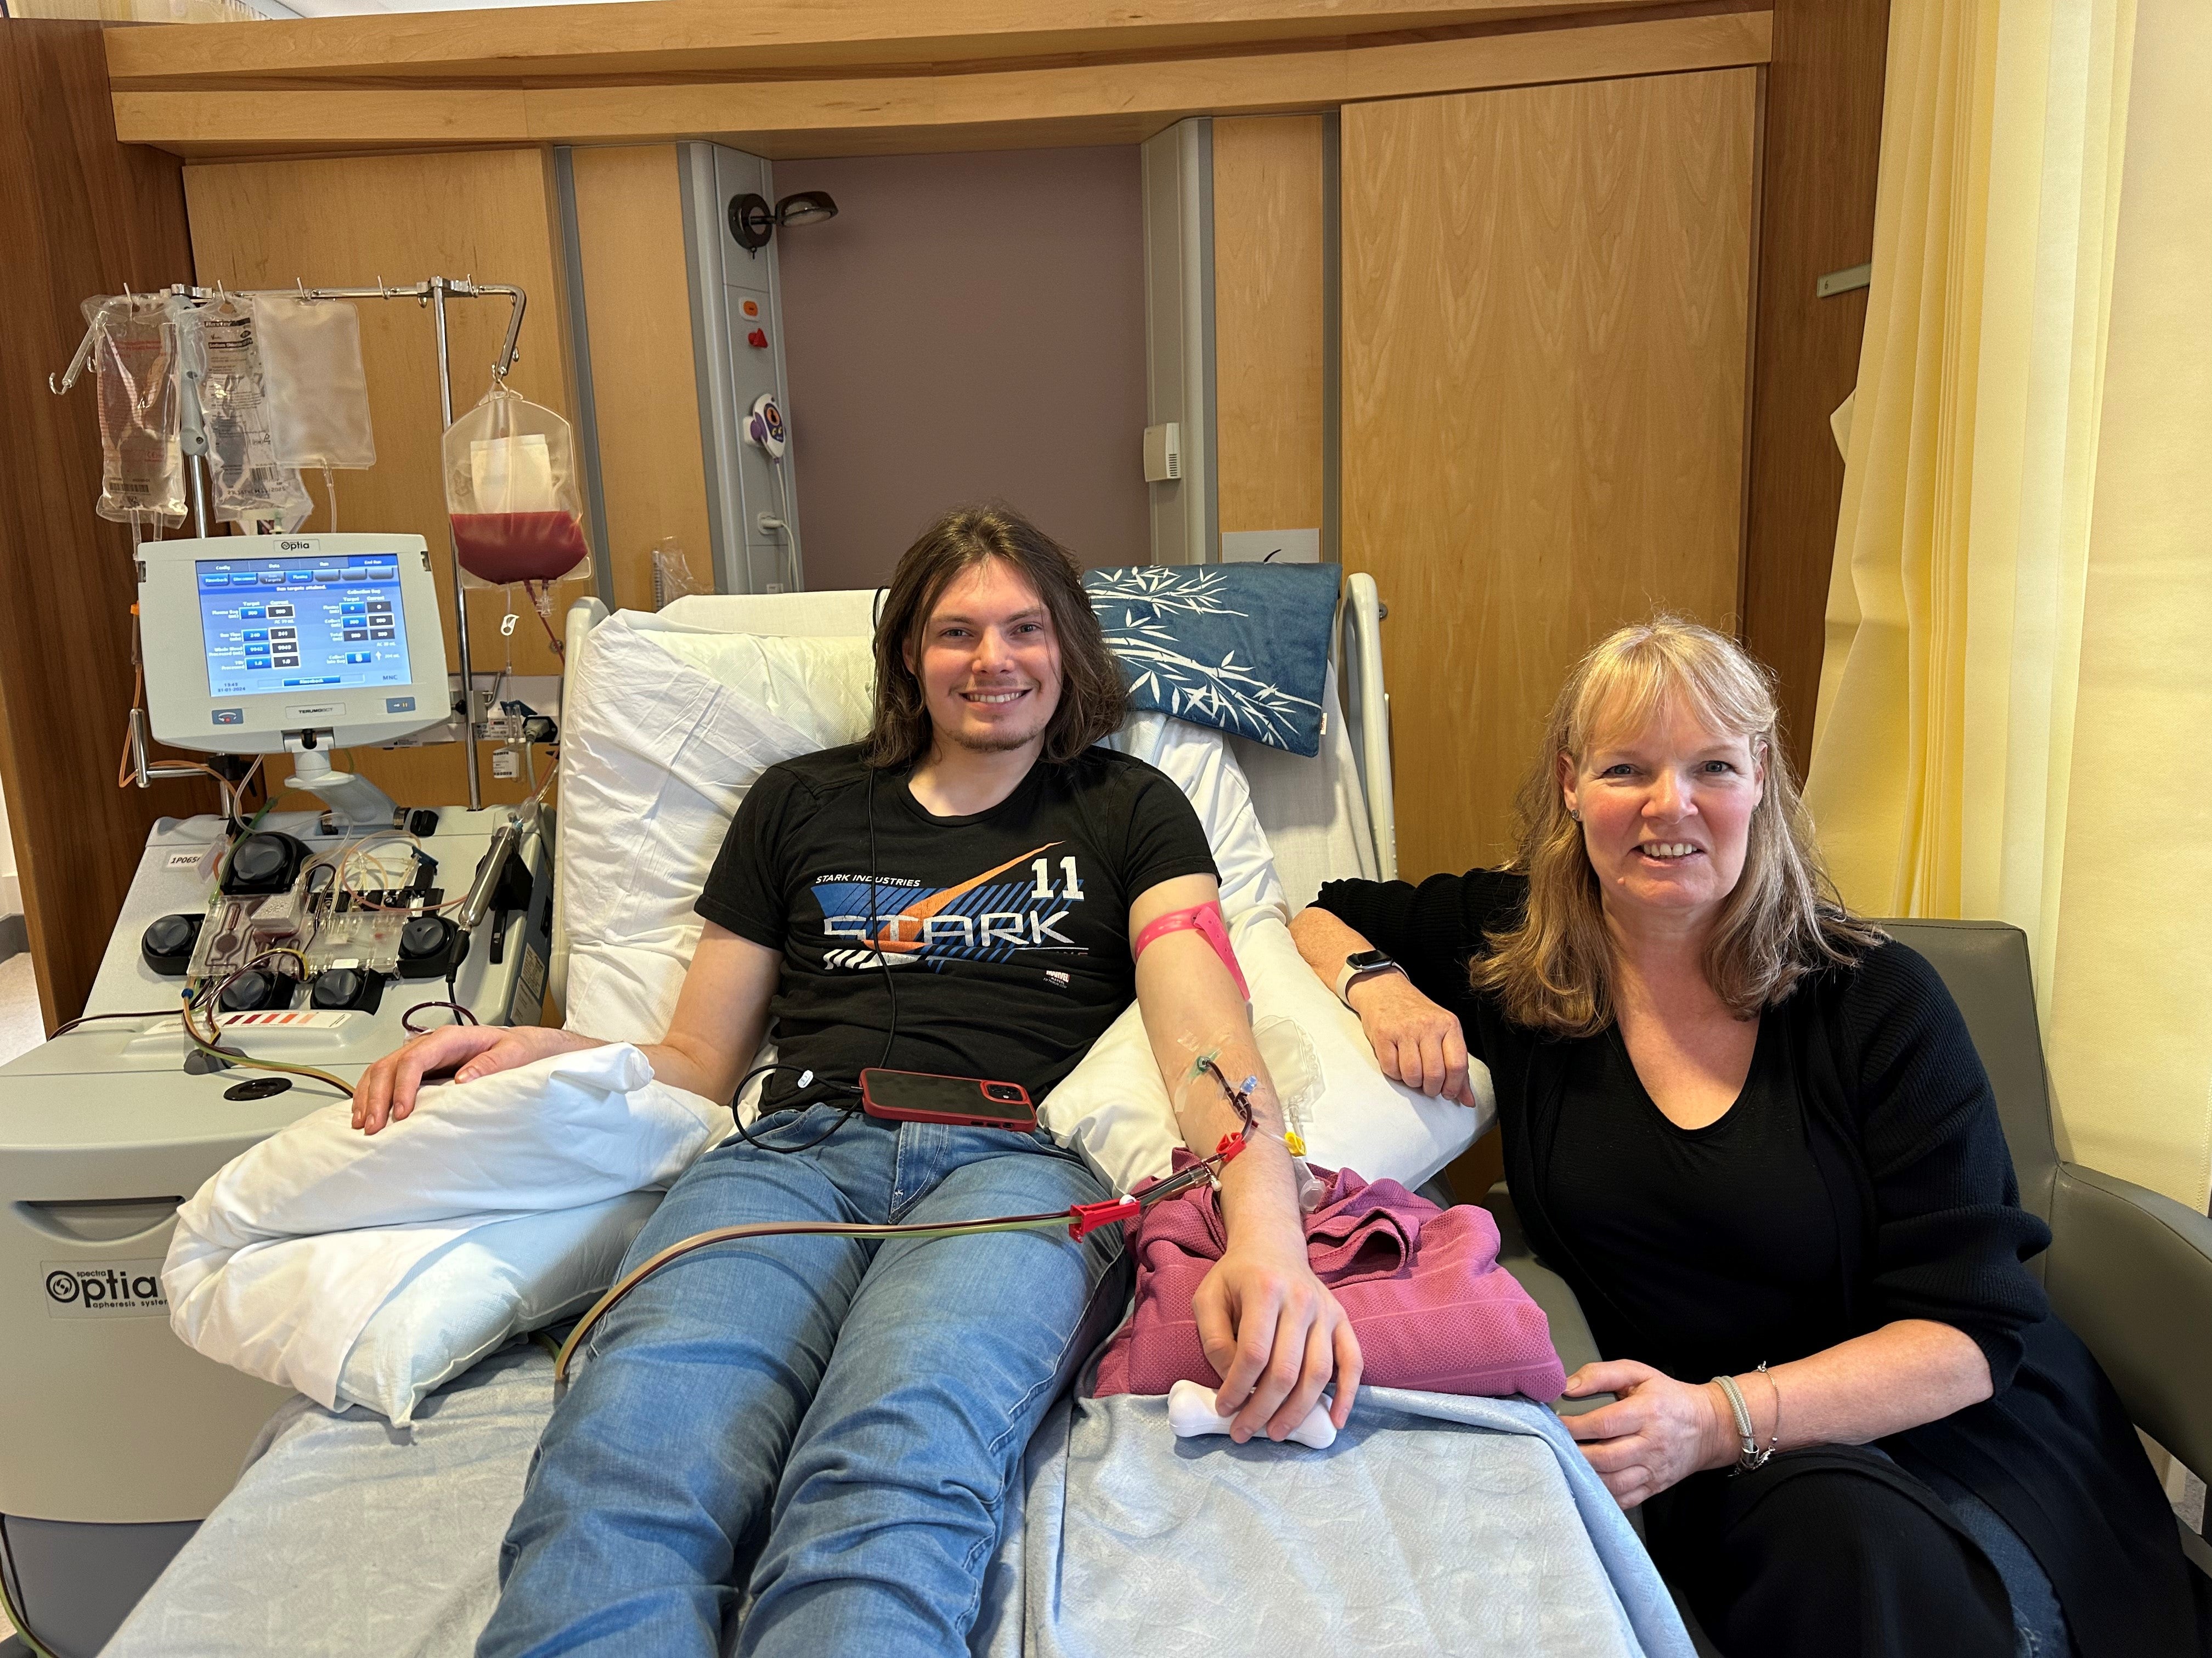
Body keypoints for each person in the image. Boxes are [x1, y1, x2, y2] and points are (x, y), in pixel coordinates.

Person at [353, 506, 1359, 1658]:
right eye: (956, 632)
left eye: (1025, 629)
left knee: (889, 1472)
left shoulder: (1130, 807)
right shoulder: (800, 802)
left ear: (1067, 649)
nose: (993, 660)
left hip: (1011, 1176)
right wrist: (534, 1048)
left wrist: (1267, 1227)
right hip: (789, 1158)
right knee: (624, 1456)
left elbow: (1206, 1037)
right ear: (908, 658)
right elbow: (694, 1058)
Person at [1289, 617, 2207, 1658]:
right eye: (1627, 768)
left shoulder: (1877, 1002)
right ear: (1570, 783)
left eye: (1711, 767)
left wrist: (1719, 1419)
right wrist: (1382, 991)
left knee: (1873, 1561)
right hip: (1713, 1463)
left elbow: (1973, 1336)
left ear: (1760, 780)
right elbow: (1319, 911)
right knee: (1821, 1549)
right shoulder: (1520, 954)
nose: (1667, 806)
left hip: (1949, 1431)